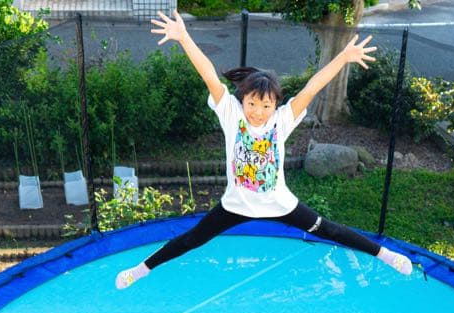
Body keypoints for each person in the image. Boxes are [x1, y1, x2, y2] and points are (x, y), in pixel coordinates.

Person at [115, 10, 413, 289]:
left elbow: (312, 87)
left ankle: (385, 254)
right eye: (252, 104)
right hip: (236, 205)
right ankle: (141, 269)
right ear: (242, 100)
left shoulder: (282, 120)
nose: (257, 112)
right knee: (191, 239)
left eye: (266, 105)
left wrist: (343, 57)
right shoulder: (231, 114)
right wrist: (184, 37)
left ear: (275, 105)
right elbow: (209, 75)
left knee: (330, 230)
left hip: (279, 203)